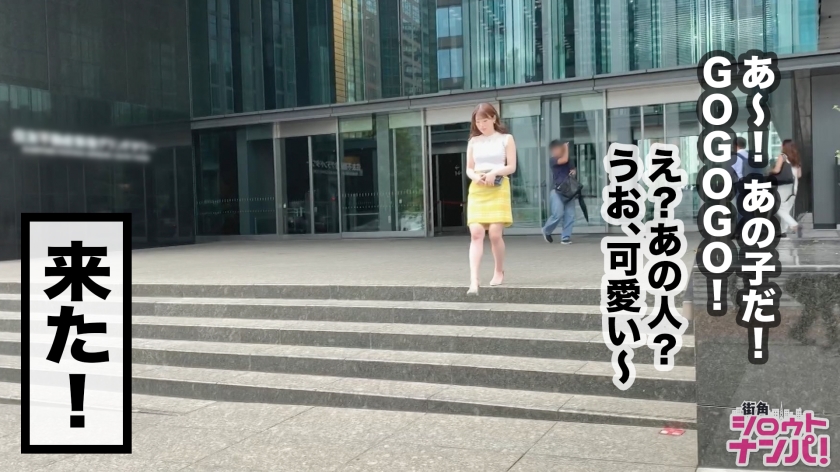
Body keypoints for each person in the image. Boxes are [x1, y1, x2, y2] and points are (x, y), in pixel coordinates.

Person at [464, 103, 517, 295]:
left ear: (494, 118)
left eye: (485, 120)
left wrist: (494, 172)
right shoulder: (473, 141)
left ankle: (499, 270)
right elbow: (469, 168)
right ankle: (474, 280)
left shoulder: (506, 138)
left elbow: (511, 166)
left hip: (498, 185)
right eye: (478, 122)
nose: (481, 125)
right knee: (476, 233)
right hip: (478, 187)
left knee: (495, 234)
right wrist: (475, 177)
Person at [542, 140, 577, 244]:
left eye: (559, 148)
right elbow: (564, 160)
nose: (557, 151)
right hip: (557, 191)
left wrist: (573, 171)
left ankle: (565, 237)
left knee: (570, 215)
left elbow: (572, 168)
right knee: (557, 214)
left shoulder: (568, 159)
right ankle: (546, 230)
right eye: (555, 149)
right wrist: (566, 147)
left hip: (569, 190)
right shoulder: (552, 160)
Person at [769, 139, 803, 238]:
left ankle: (794, 225)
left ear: (785, 147)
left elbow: (777, 170)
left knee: (778, 208)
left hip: (784, 186)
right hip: (794, 186)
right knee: (786, 209)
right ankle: (782, 231)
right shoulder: (796, 158)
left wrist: (770, 171)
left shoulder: (783, 156)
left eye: (782, 145)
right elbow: (799, 175)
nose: (780, 146)